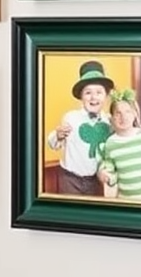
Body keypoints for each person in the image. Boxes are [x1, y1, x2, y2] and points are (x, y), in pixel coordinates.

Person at [45, 60, 114, 196]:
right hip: (70, 179)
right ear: (81, 96)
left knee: (95, 213)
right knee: (71, 213)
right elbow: (54, 144)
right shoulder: (71, 117)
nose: (93, 97)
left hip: (96, 179)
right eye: (88, 92)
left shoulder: (109, 122)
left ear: (106, 96)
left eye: (99, 92)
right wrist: (57, 136)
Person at [97, 89, 141, 201]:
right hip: (127, 201)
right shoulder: (110, 143)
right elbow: (110, 170)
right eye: (118, 113)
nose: (123, 117)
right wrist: (106, 176)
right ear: (112, 117)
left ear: (135, 114)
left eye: (128, 112)